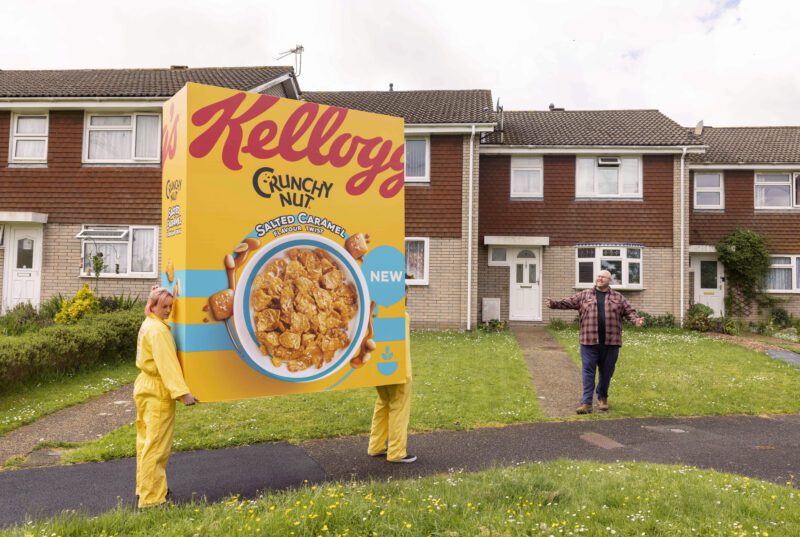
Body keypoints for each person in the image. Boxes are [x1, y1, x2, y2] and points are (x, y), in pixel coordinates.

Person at [134, 285, 199, 509]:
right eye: (164, 306)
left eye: (171, 306)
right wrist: (183, 393)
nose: (168, 311)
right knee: (157, 446)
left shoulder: (149, 324)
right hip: (157, 391)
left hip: (145, 386)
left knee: (145, 442)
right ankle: (152, 499)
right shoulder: (159, 331)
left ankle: (146, 489)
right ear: (152, 306)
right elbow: (167, 365)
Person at [545, 269, 643, 415]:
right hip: (589, 341)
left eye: (603, 277)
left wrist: (636, 320)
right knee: (588, 371)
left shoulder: (618, 297)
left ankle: (602, 397)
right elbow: (568, 302)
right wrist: (553, 304)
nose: (600, 278)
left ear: (610, 280)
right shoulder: (584, 295)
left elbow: (630, 311)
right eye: (598, 276)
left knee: (606, 372)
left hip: (611, 342)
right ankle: (586, 403)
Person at [367, 295, 415, 463]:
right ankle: (396, 452)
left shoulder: (373, 316)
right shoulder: (403, 317)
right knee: (399, 408)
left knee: (382, 404)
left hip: (379, 370)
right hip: (400, 371)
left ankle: (376, 446)